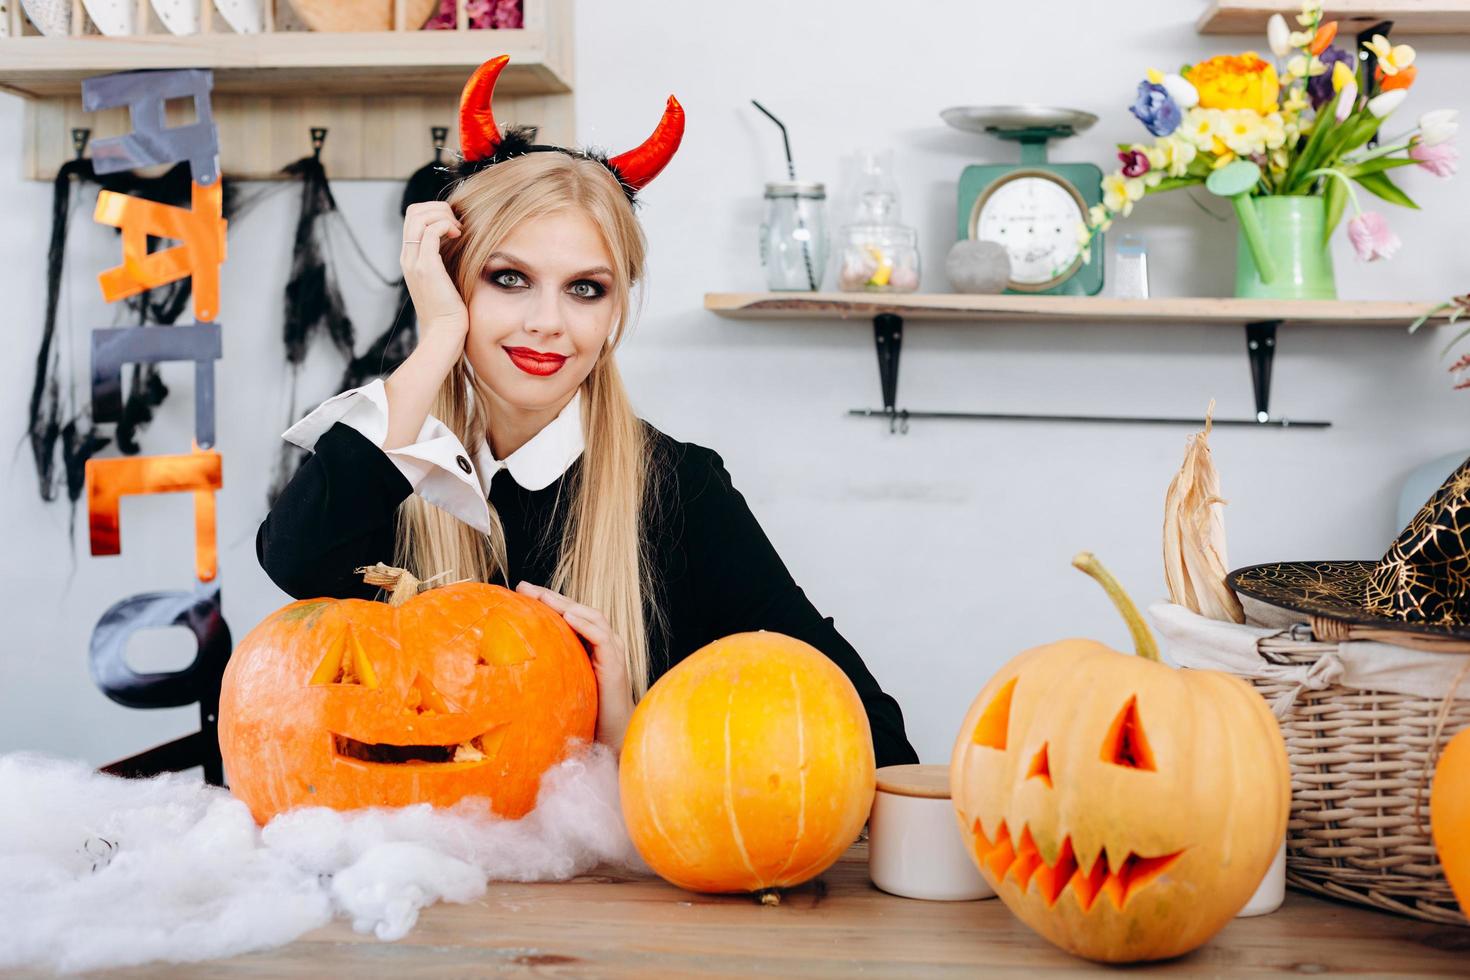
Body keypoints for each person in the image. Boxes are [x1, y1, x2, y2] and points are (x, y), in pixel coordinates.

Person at [256, 56, 918, 767]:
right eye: (508, 279)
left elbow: (871, 737)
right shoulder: (392, 473)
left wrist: (628, 739)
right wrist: (439, 337)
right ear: (453, 285)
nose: (547, 322)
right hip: (417, 868)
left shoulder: (681, 490)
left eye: (585, 289)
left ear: (615, 314)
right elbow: (295, 558)